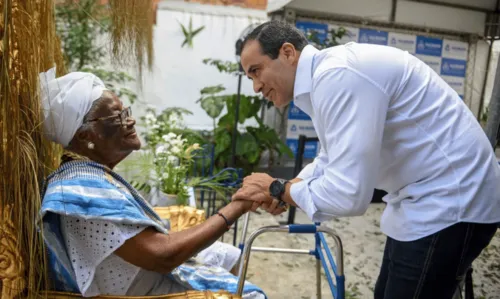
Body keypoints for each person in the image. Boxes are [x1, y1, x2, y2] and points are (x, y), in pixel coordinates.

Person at [232, 20, 500, 299]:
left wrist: (278, 188)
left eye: (256, 71)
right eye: (250, 77)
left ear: (288, 53)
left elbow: (348, 194)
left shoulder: (338, 75)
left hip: (454, 198)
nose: (255, 87)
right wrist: (288, 188)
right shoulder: (324, 76)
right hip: (423, 197)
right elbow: (330, 156)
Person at [37, 67, 265, 298]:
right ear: (85, 135)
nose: (130, 120)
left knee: (227, 254)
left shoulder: (83, 176)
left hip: (144, 276)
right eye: (118, 116)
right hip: (145, 290)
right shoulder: (81, 187)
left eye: (126, 111)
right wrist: (237, 206)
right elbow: (162, 256)